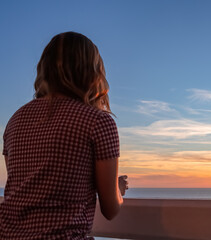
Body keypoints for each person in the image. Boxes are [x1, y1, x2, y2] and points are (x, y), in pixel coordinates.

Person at [0, 31, 128, 239]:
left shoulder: (16, 119)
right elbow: (110, 209)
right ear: (92, 72)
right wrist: (118, 189)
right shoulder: (98, 121)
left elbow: (30, 185)